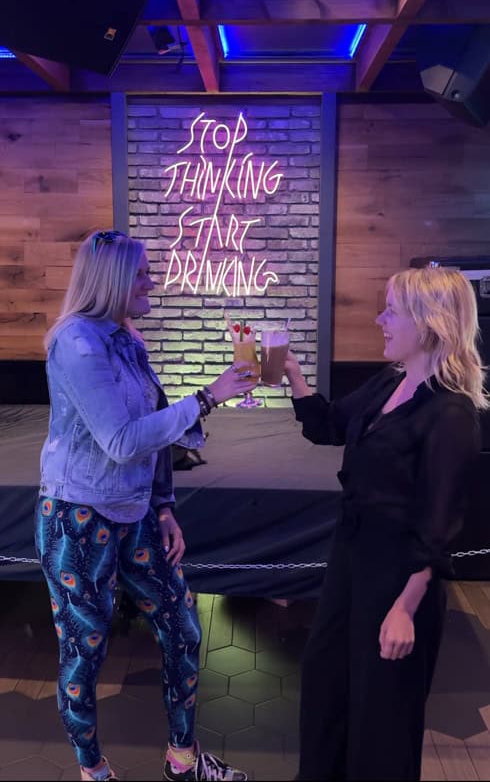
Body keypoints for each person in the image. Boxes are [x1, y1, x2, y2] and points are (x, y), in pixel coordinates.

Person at [35, 229, 254, 782]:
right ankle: (94, 772)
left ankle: (183, 761)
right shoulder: (77, 342)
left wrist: (162, 505)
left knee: (184, 630)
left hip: (136, 513)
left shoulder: (126, 339)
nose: (152, 281)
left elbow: (150, 433)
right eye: (142, 274)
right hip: (76, 519)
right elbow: (122, 440)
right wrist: (207, 397)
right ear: (111, 280)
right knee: (84, 653)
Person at [284, 266, 487, 781]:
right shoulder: (387, 383)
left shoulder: (451, 414)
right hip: (351, 559)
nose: (379, 320)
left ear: (429, 324)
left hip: (400, 579)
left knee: (383, 713)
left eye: (391, 310)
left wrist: (405, 610)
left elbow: (439, 526)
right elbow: (329, 425)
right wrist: (293, 375)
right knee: (327, 684)